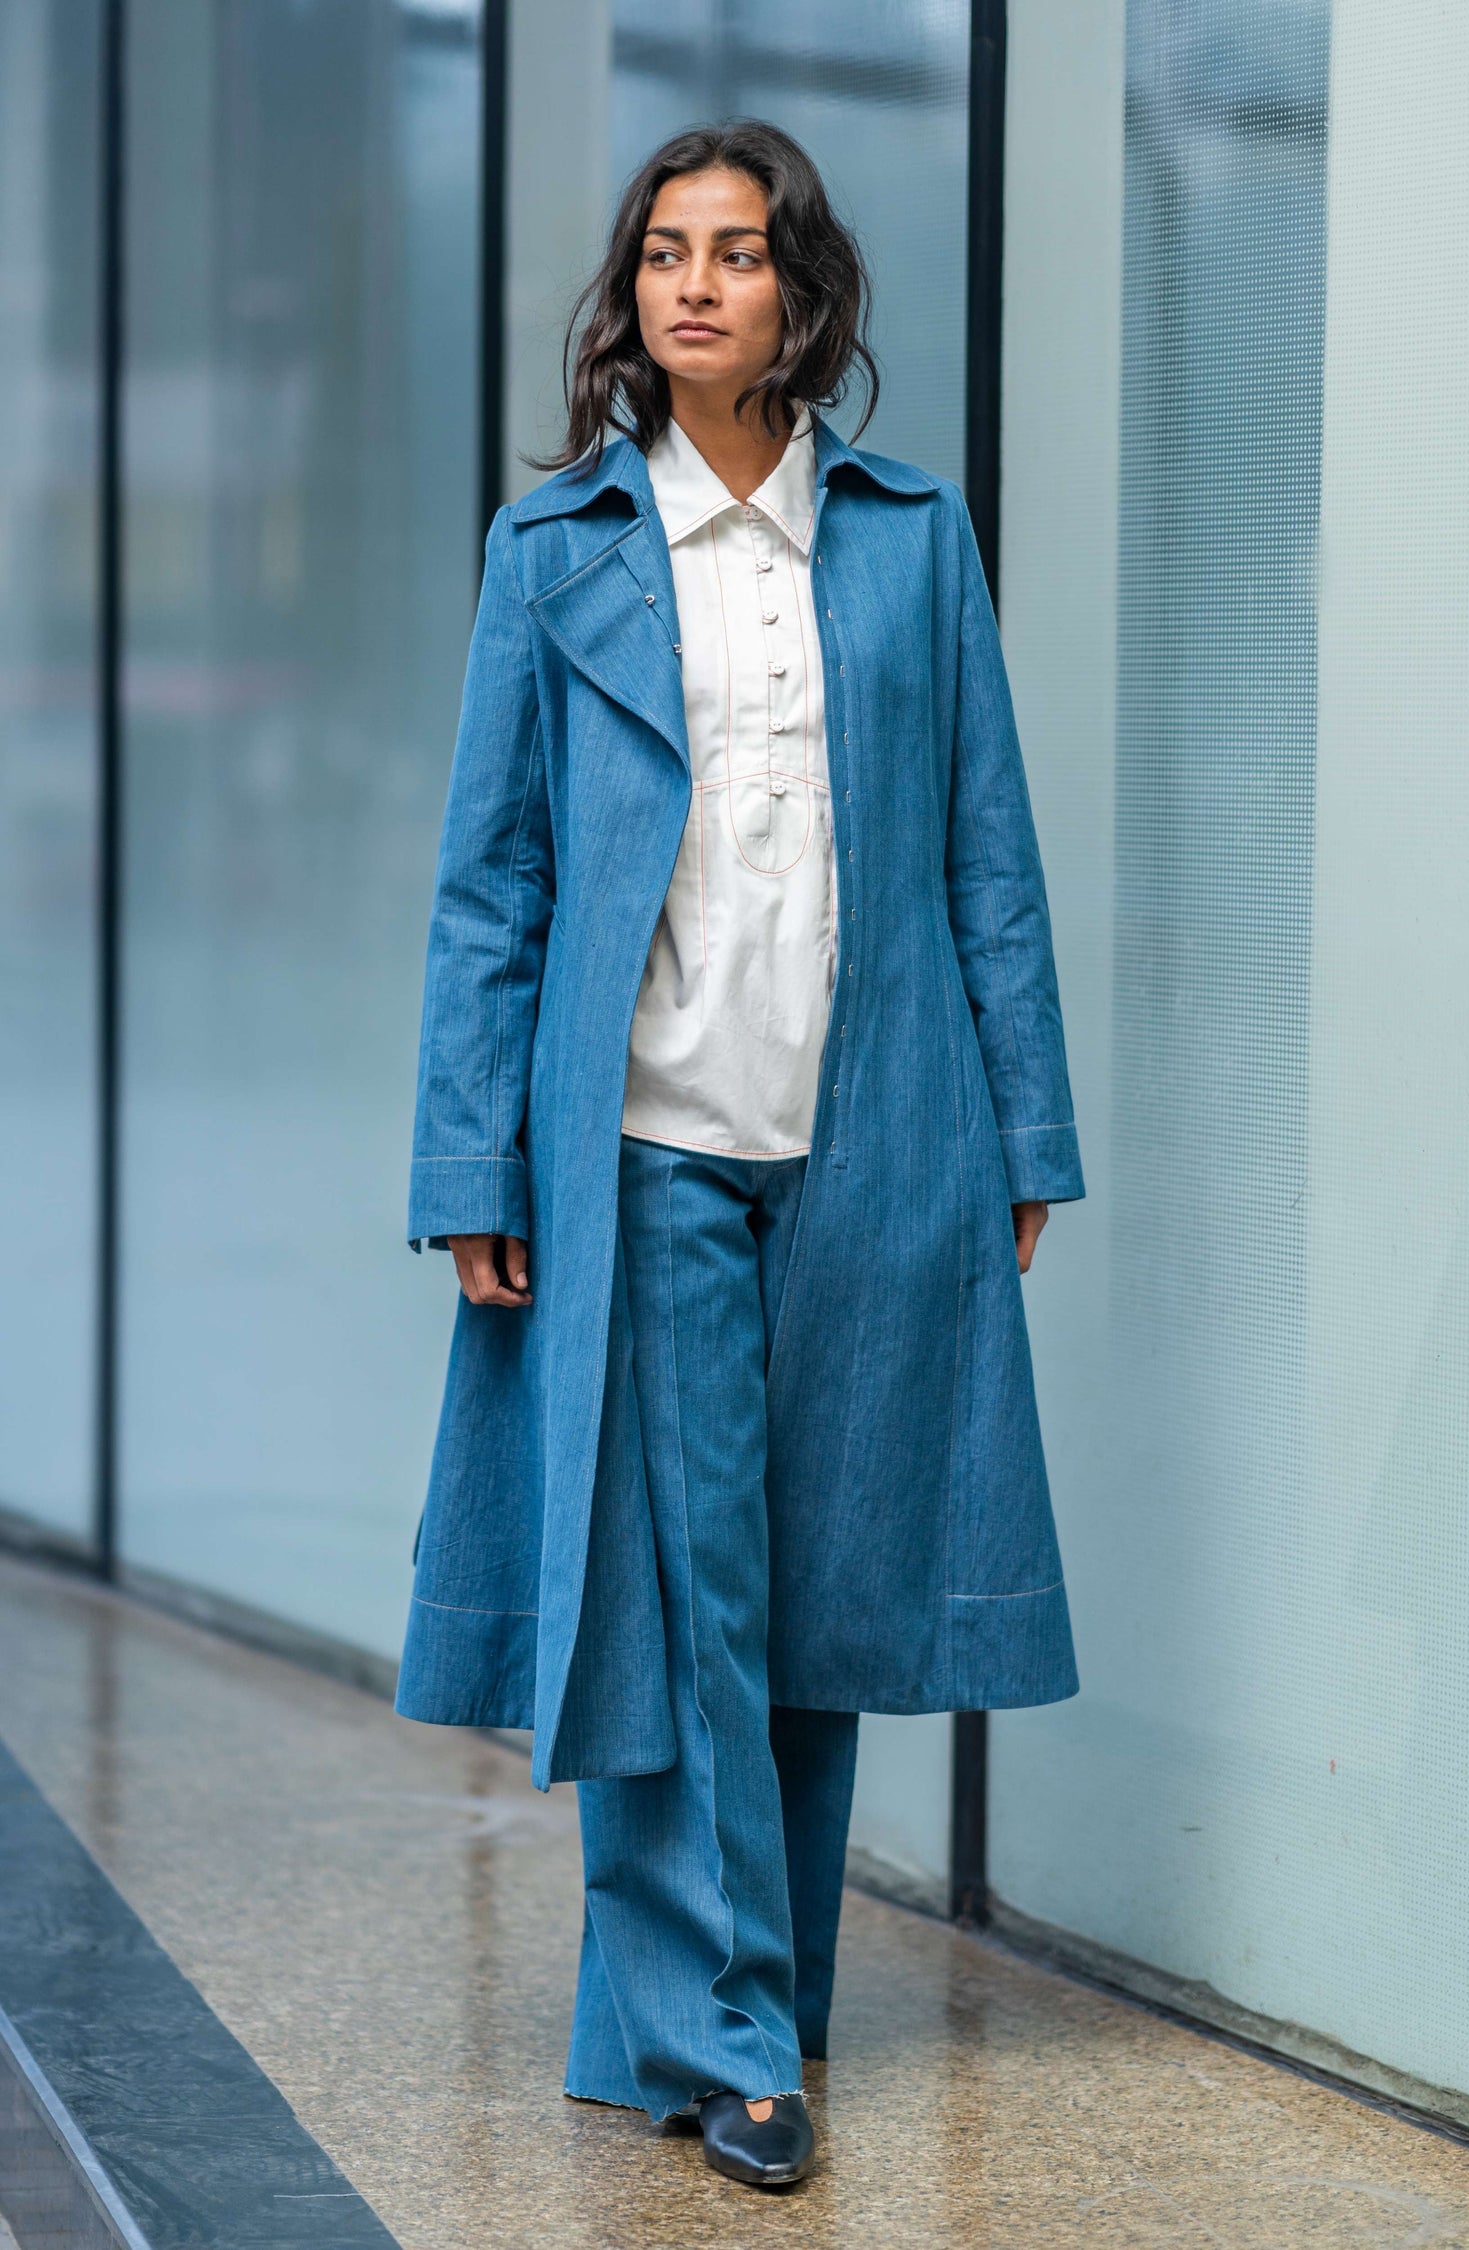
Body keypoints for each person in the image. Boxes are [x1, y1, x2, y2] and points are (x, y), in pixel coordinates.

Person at [395, 119, 1084, 2190]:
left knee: (808, 1598)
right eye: (669, 252)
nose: (702, 283)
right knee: (679, 1589)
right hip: (648, 1148)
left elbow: (988, 855)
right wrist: (473, 1165)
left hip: (876, 1146)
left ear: (803, 292)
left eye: (743, 251)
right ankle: (745, 2042)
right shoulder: (560, 555)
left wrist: (1025, 1129)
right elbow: (489, 888)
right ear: (638, 294)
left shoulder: (904, 539)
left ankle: (670, 2020)